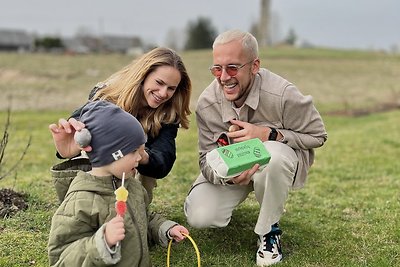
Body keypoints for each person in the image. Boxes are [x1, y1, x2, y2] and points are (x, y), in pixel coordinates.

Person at [184, 29, 327, 266]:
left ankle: (268, 231)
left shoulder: (283, 94)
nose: (223, 77)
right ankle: (218, 196)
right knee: (200, 216)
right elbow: (205, 159)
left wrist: (270, 134)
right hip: (233, 171)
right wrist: (229, 178)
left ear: (254, 65)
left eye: (232, 68)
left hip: (276, 164)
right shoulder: (207, 103)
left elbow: (318, 135)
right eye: (217, 69)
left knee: (273, 156)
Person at [48, 100, 189, 266]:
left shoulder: (133, 186)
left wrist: (164, 228)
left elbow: (141, 220)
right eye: (134, 151)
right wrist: (102, 242)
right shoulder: (79, 202)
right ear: (111, 154)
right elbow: (61, 258)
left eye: (142, 149)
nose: (141, 157)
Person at [49, 47, 191, 202]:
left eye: (171, 88)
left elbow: (163, 161)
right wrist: (68, 146)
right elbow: (75, 136)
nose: (164, 93)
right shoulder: (105, 95)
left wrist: (137, 154)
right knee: (96, 146)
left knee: (141, 163)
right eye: (159, 82)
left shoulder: (168, 113)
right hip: (99, 173)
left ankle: (134, 205)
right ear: (143, 75)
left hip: (135, 175)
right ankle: (87, 201)